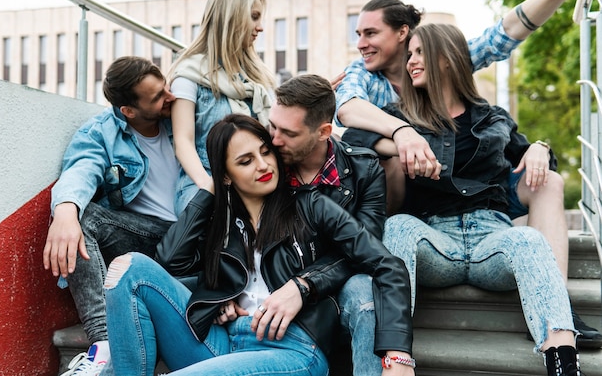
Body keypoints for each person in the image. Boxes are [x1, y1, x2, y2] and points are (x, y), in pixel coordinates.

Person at [333, 0, 602, 347]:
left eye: (371, 33)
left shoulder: (466, 89)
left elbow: (508, 31)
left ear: (406, 35)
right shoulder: (365, 76)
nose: (361, 43)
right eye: (358, 33)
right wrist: (404, 135)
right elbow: (347, 114)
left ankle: (554, 307)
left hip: (480, 211)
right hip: (415, 207)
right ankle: (392, 334)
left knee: (549, 179)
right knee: (390, 175)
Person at [344, 23, 582, 375]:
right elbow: (352, 137)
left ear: (448, 58)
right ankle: (396, 360)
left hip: (493, 241)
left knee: (530, 240)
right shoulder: (400, 117)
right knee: (398, 227)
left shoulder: (493, 118)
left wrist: (539, 149)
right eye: (409, 54)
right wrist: (402, 142)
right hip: (435, 241)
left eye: (420, 52)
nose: (411, 61)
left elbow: (532, 163)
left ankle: (563, 362)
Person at [102, 113, 414, 376]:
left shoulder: (311, 205)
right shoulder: (222, 223)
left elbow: (388, 265)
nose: (264, 165)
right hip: (222, 343)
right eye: (246, 161)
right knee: (129, 268)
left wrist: (398, 352)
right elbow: (171, 260)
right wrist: (211, 192)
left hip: (292, 347)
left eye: (265, 152)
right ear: (226, 175)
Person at [43, 56, 178, 376]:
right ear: (128, 111)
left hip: (196, 232)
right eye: (157, 96)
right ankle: (104, 341)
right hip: (148, 236)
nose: (170, 97)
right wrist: (64, 212)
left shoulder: (184, 117)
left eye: (165, 88)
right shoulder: (101, 133)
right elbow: (81, 171)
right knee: (82, 218)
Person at [269, 74, 390, 376]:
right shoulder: (265, 162)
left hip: (336, 283)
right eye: (272, 126)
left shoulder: (364, 168)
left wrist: (306, 284)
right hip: (275, 283)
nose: (274, 140)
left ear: (324, 131)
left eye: (288, 133)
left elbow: (365, 250)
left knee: (366, 293)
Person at [167, 0, 276, 214]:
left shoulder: (258, 77)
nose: (260, 27)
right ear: (233, 16)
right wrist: (208, 188)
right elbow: (183, 142)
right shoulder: (189, 74)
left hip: (257, 182)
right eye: (254, 17)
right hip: (205, 184)